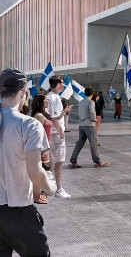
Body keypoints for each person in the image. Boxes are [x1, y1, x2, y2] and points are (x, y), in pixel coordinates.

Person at [0, 68, 57, 257]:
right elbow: (35, 171)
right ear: (23, 92)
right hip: (19, 211)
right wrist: (50, 188)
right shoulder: (29, 124)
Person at [46, 76, 73, 199]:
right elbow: (54, 118)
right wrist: (61, 131)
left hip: (50, 132)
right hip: (56, 133)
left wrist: (64, 111)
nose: (63, 85)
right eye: (62, 83)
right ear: (57, 84)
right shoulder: (55, 98)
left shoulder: (49, 96)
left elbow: (55, 116)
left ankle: (49, 188)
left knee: (51, 160)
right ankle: (58, 189)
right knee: (59, 162)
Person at [69, 87, 109, 169]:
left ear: (84, 93)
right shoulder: (91, 102)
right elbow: (92, 111)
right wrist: (94, 120)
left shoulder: (81, 102)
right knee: (93, 144)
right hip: (89, 125)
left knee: (79, 143)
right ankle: (97, 161)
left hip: (81, 125)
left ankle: (73, 160)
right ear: (92, 93)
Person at [30, 94, 54, 205]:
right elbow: (38, 134)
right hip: (41, 148)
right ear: (40, 102)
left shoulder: (43, 114)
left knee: (45, 170)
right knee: (39, 172)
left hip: (46, 146)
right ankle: (36, 196)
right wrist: (42, 150)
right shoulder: (38, 116)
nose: (47, 101)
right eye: (45, 100)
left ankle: (40, 193)